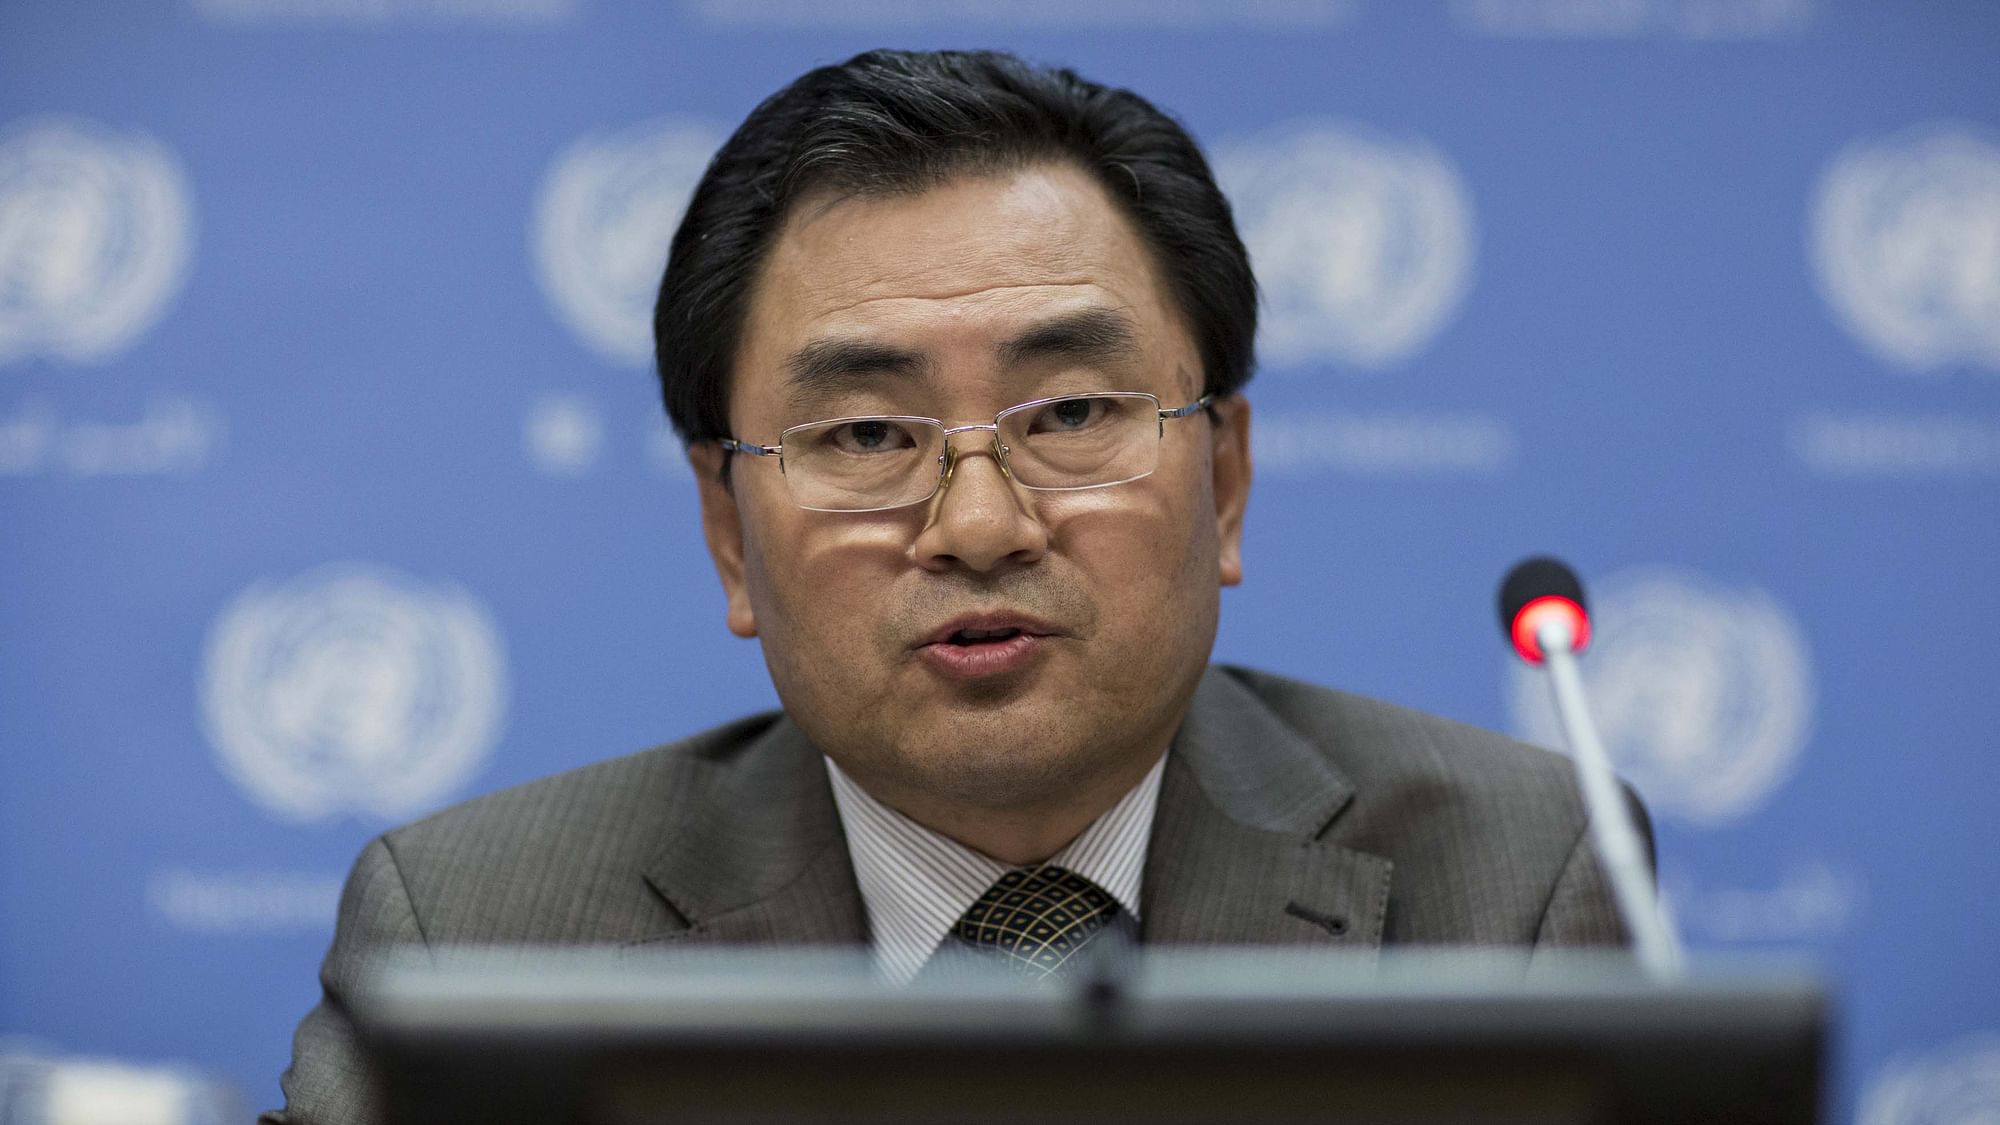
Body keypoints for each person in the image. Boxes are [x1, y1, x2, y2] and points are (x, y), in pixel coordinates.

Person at [266, 48, 1640, 1125]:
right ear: (729, 534)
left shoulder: (1515, 882)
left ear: (1224, 478)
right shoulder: (479, 931)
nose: (978, 525)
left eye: (1071, 414)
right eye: (865, 435)